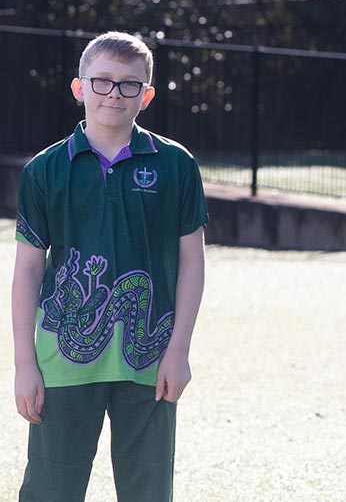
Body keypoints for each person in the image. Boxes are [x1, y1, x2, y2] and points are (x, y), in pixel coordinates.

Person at [12, 32, 207, 501]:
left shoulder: (176, 164)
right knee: (51, 487)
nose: (114, 94)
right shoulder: (44, 169)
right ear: (79, 88)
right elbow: (28, 272)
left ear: (147, 94)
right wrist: (24, 363)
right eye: (102, 81)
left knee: (148, 489)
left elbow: (192, 262)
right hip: (62, 360)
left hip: (151, 359)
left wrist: (179, 350)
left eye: (128, 84)